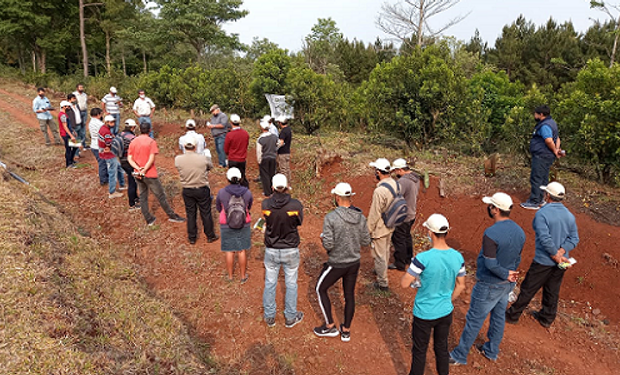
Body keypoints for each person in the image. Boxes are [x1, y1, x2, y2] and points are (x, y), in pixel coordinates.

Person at [449, 193, 525, 365]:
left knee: (474, 319)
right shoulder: (520, 231)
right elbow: (517, 258)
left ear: (496, 209)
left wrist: (504, 273)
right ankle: (491, 351)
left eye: (490, 206)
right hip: (507, 285)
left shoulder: (491, 233)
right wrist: (509, 275)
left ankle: (459, 355)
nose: (489, 208)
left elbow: (490, 263)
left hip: (490, 283)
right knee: (498, 317)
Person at [400, 214, 466, 375]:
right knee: (442, 349)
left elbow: (404, 283)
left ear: (430, 233)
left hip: (424, 313)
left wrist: (414, 277)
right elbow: (461, 286)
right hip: (445, 312)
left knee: (419, 352)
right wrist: (447, 300)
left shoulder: (423, 258)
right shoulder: (458, 257)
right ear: (446, 232)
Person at [506, 182, 579, 328]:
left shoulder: (542, 214)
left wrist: (554, 255)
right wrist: (561, 252)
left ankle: (513, 315)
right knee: (552, 289)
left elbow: (544, 238)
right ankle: (546, 318)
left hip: (544, 260)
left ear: (548, 195)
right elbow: (574, 238)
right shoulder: (569, 216)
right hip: (562, 262)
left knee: (528, 287)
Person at [313, 183, 371, 342]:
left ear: (337, 198)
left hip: (337, 263)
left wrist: (323, 239)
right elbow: (366, 241)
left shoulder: (331, 218)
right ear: (350, 197)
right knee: (349, 295)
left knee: (320, 288)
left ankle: (329, 326)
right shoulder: (360, 217)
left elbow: (329, 245)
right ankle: (345, 330)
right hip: (354, 263)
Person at [262, 174, 304, 328]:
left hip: (272, 249)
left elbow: (266, 221)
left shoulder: (265, 204)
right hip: (290, 249)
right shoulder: (295, 205)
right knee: (291, 283)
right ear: (286, 187)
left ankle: (269, 317)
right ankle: (290, 317)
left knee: (270, 283)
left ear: (272, 187)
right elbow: (299, 222)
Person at [128, 122, 185, 225]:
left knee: (143, 196)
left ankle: (148, 219)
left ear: (139, 129)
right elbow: (151, 158)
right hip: (149, 174)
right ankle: (172, 216)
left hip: (137, 173)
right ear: (150, 130)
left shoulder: (133, 141)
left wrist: (138, 169)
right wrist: (145, 169)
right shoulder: (151, 142)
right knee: (161, 196)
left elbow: (130, 158)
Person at [175, 136, 218, 244]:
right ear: (195, 147)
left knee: (190, 213)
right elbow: (210, 167)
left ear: (184, 146)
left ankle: (192, 237)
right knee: (206, 212)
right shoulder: (203, 158)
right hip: (201, 188)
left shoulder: (178, 159)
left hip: (187, 189)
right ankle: (210, 235)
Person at [521, 105, 564, 210]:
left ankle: (535, 201)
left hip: (542, 156)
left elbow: (549, 140)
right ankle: (541, 199)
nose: (534, 115)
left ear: (541, 114)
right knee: (543, 177)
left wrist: (554, 150)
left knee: (536, 178)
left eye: (535, 114)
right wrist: (557, 150)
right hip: (547, 156)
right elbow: (557, 138)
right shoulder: (552, 122)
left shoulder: (544, 126)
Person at [367, 158, 398, 291]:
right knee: (385, 250)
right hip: (391, 223)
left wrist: (367, 229)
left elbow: (374, 213)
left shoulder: (379, 191)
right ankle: (382, 271)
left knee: (379, 255)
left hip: (380, 227)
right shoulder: (395, 183)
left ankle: (382, 283)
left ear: (379, 172)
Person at [216, 168, 253, 282]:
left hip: (226, 224)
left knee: (229, 250)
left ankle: (230, 277)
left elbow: (218, 207)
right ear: (240, 178)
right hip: (243, 223)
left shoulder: (222, 192)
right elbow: (249, 206)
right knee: (241, 250)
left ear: (227, 179)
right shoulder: (247, 192)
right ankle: (242, 276)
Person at [389, 158, 420, 271]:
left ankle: (400, 263)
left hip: (403, 215)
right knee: (407, 237)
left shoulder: (403, 181)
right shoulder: (415, 178)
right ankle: (408, 258)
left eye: (396, 171)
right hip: (411, 212)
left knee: (399, 239)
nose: (396, 173)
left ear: (400, 169)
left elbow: (395, 195)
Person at [114, 119, 140, 210]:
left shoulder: (120, 134)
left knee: (133, 179)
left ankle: (136, 197)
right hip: (130, 162)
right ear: (133, 127)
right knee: (132, 182)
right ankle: (132, 204)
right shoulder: (132, 137)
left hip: (122, 161)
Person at [98, 115, 126, 199]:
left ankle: (121, 184)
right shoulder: (106, 132)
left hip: (106, 153)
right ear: (107, 122)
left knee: (118, 168)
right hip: (109, 155)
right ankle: (112, 192)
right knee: (112, 173)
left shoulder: (103, 128)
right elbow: (109, 143)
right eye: (111, 122)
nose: (113, 123)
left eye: (113, 122)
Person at [224, 114, 250, 187]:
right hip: (242, 158)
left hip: (232, 158)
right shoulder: (245, 133)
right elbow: (246, 145)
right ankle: (245, 190)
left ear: (231, 122)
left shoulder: (229, 135)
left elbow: (226, 148)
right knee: (242, 175)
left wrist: (228, 154)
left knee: (233, 177)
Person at [256, 119, 278, 197]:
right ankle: (273, 190)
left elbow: (259, 151)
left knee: (265, 175)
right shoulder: (274, 137)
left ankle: (267, 192)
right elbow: (277, 145)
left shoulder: (260, 139)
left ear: (262, 128)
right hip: (273, 157)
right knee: (272, 174)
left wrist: (259, 161)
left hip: (265, 158)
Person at [88, 108, 108, 185]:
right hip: (99, 145)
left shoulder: (91, 122)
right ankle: (103, 180)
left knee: (102, 163)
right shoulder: (100, 124)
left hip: (94, 144)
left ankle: (104, 178)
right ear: (98, 115)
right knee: (102, 164)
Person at [58, 101, 78, 168]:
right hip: (66, 134)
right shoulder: (63, 115)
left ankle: (71, 160)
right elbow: (65, 126)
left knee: (75, 146)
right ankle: (69, 164)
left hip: (68, 133)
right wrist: (71, 136)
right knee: (69, 149)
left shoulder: (64, 114)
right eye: (68, 106)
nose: (69, 108)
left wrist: (73, 131)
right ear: (63, 107)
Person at [66, 93, 84, 158]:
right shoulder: (67, 107)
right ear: (69, 100)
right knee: (74, 140)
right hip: (73, 125)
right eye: (73, 98)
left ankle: (77, 153)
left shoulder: (77, 106)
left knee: (79, 138)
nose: (75, 100)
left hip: (79, 124)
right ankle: (74, 154)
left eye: (75, 98)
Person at [276, 116, 292, 185]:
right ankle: (289, 183)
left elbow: (281, 142)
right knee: (287, 168)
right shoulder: (289, 129)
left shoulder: (283, 131)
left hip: (282, 153)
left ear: (280, 123)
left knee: (283, 170)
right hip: (287, 152)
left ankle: (285, 184)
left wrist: (275, 148)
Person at [72, 83, 89, 148]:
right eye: (80, 87)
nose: (82, 88)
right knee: (76, 129)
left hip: (84, 111)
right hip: (77, 112)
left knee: (83, 129)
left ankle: (83, 145)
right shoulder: (74, 94)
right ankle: (75, 147)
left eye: (82, 87)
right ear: (77, 88)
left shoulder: (85, 95)